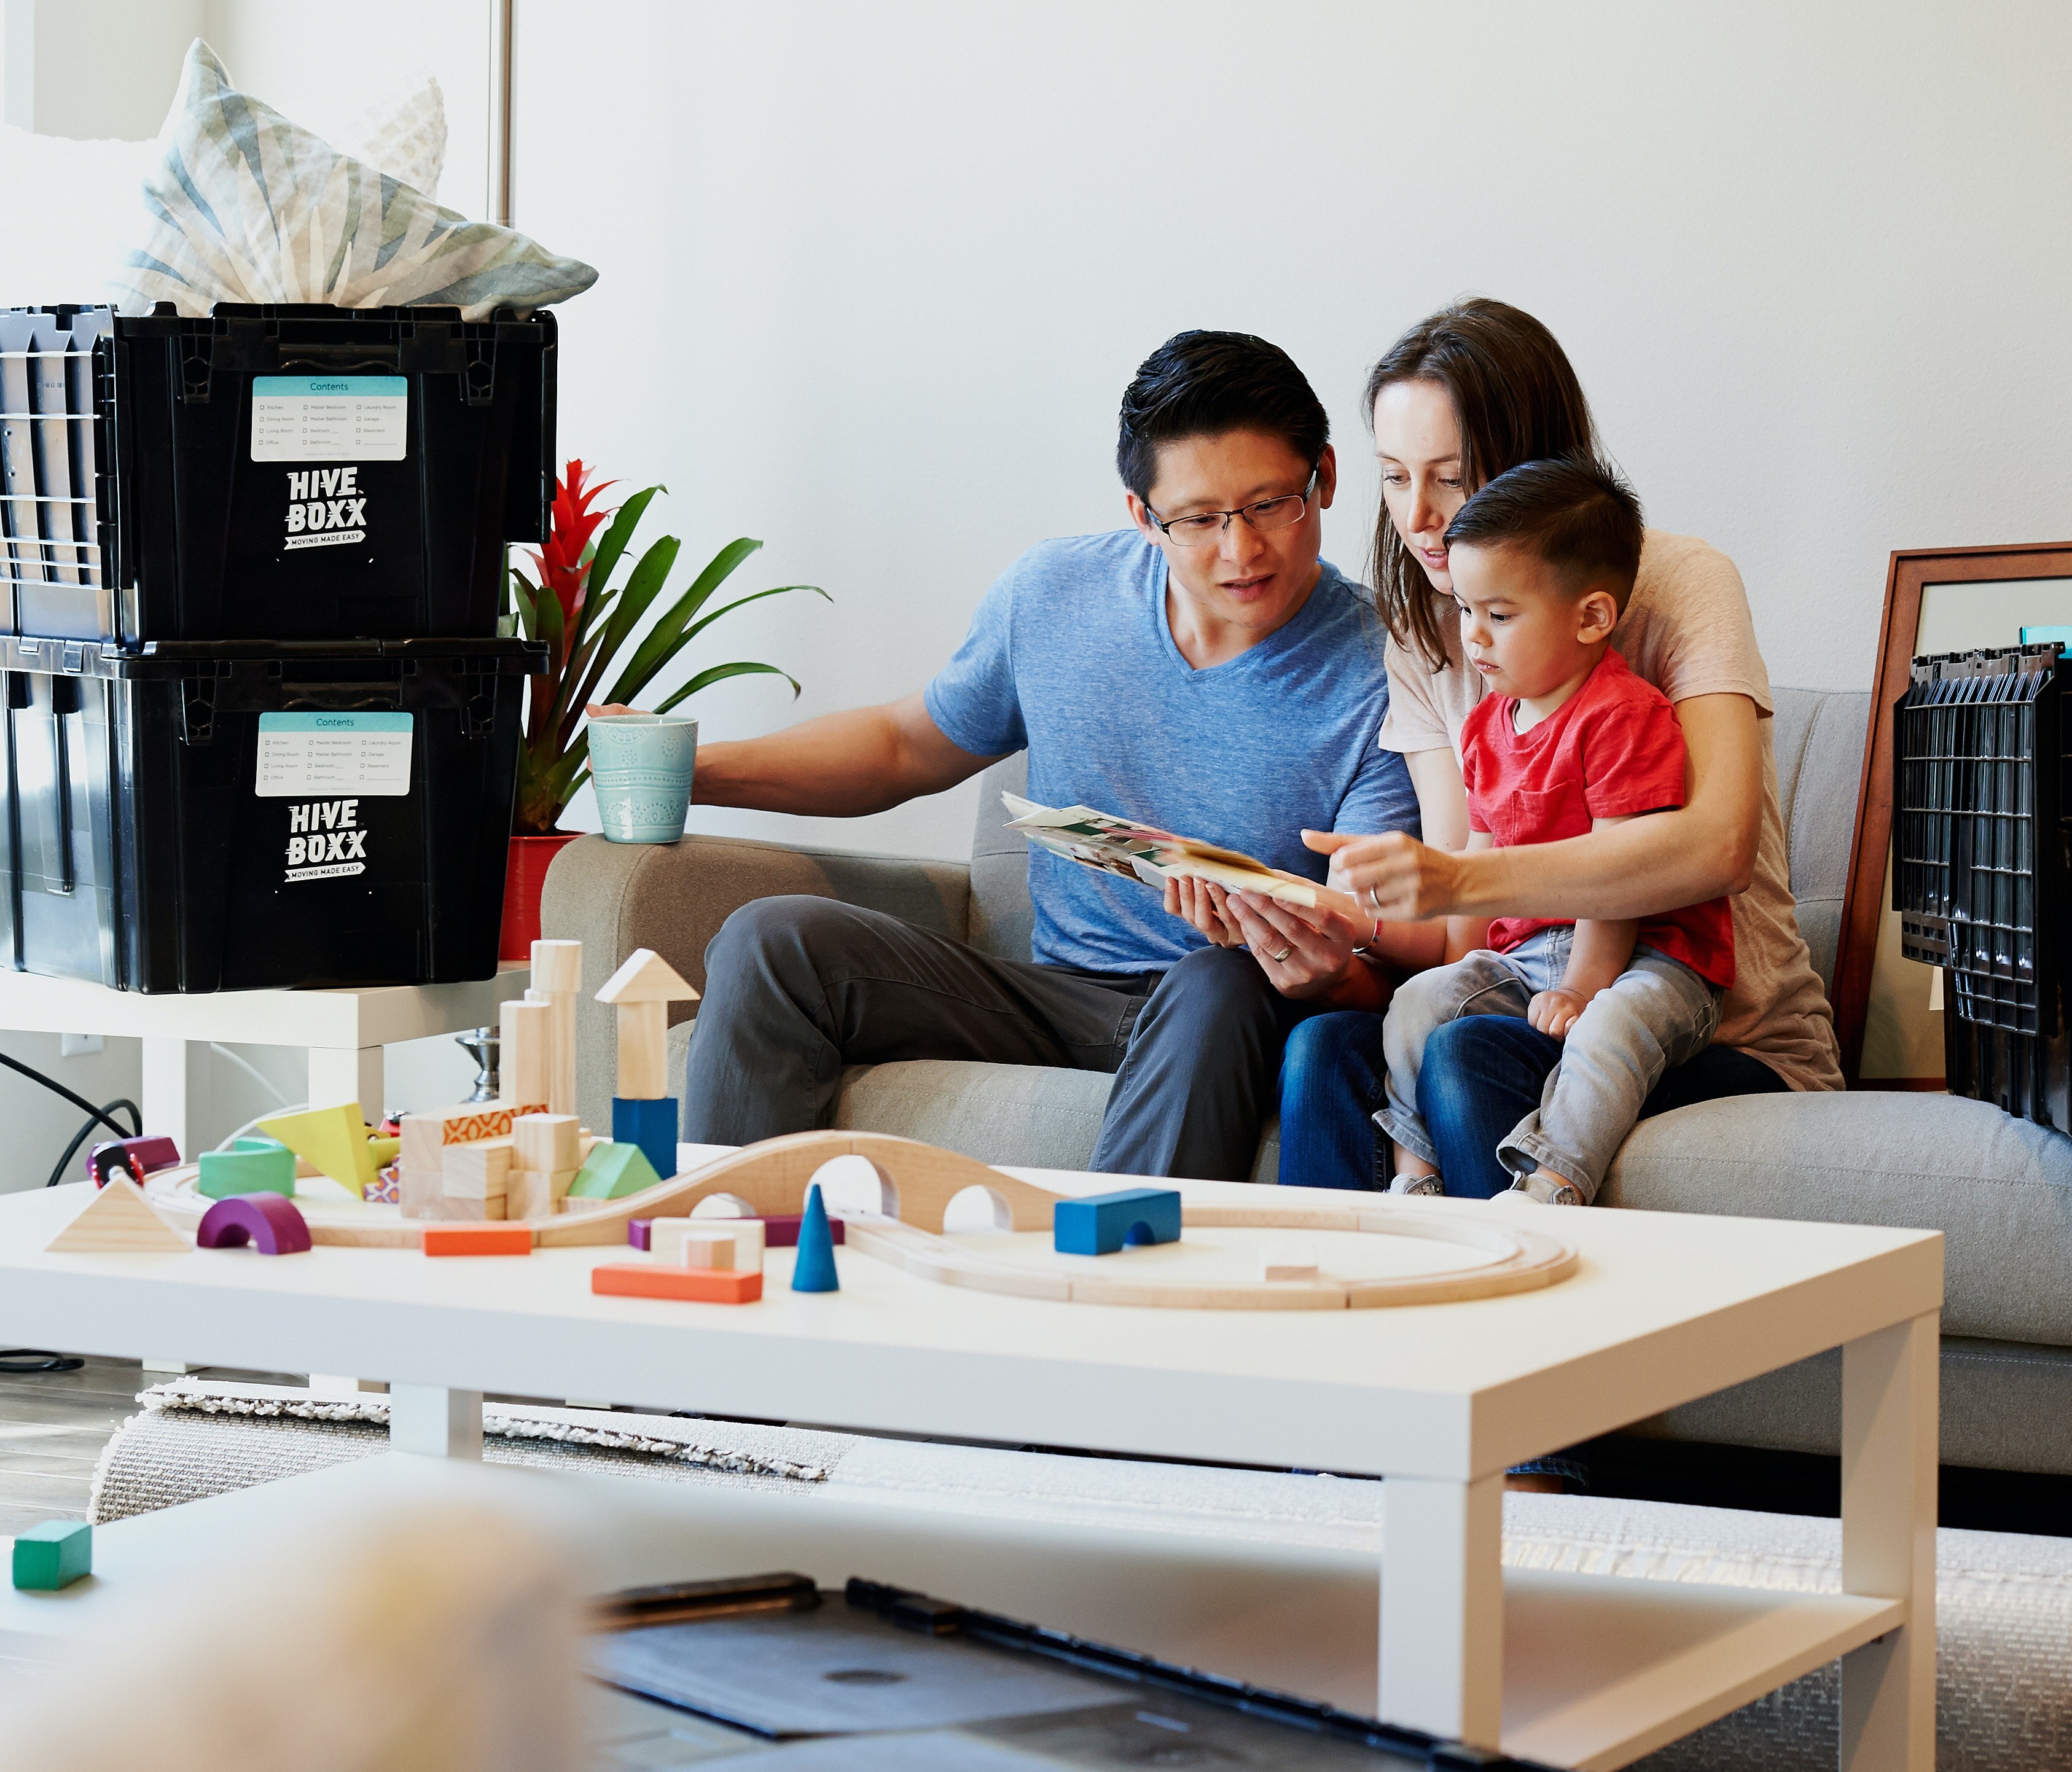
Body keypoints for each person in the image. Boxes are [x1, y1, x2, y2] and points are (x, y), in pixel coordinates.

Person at [671, 329, 1420, 1179]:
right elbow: (902, 745)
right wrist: (686, 771)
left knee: (1217, 979)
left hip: (1235, 1005)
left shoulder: (1386, 668)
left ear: (1324, 476)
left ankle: (1109, 1287)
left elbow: (1377, 953)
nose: (1241, 550)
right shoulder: (1057, 594)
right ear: (1142, 515)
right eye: (1199, 519)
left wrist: (1324, 973)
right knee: (773, 939)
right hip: (1055, 996)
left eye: (1270, 504)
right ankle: (730, 1257)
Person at [1259, 299, 1842, 1199]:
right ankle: (1334, 1324)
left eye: (1450, 479)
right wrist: (1345, 930)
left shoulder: (1677, 583)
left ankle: (1523, 1312)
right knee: (1323, 1047)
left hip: (1719, 1030)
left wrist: (1461, 878)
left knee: (1465, 1056)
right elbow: (1466, 930)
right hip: (1530, 990)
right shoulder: (1426, 640)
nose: (1418, 517)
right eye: (1393, 477)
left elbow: (1714, 846)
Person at [1375, 456, 1734, 1205]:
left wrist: (1581, 988)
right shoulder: (1483, 726)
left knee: (1607, 1027)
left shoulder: (1621, 715)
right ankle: (1417, 1173)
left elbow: (1615, 880)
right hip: (1531, 953)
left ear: (1592, 617)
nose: (1474, 638)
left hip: (1649, 958)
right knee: (1419, 1003)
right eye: (1467, 611)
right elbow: (1479, 857)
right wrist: (1457, 967)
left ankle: (1557, 1183)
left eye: (1499, 616)